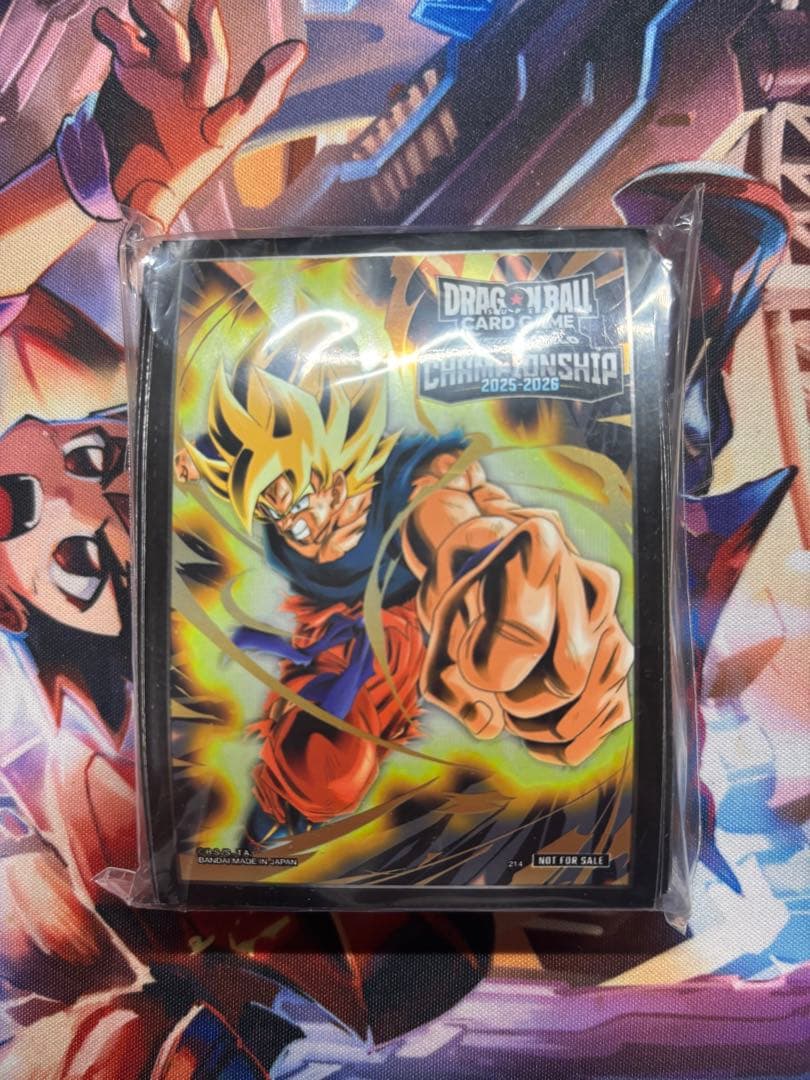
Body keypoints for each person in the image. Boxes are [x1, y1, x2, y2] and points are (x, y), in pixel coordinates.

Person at [178, 350, 634, 829]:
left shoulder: (411, 486)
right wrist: (191, 458)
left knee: (331, 757)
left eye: (296, 500)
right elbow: (240, 444)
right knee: (311, 755)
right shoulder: (269, 482)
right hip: (335, 622)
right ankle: (268, 825)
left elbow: (457, 528)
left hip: (405, 620)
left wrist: (498, 577)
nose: (288, 523)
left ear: (336, 471)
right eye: (271, 511)